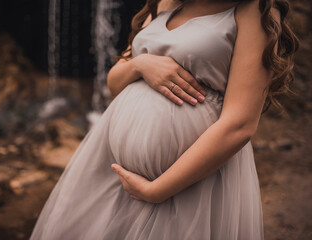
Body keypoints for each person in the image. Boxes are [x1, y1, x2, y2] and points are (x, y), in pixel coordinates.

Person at [30, 0, 299, 239]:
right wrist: (141, 64)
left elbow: (239, 124)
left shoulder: (254, 9)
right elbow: (114, 83)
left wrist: (157, 190)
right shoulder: (163, 3)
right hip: (116, 177)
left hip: (188, 187)